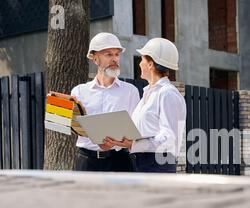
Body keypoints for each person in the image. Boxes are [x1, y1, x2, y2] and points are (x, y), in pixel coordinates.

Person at [104, 38, 186, 173]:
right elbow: (144, 131)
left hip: (157, 165)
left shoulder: (168, 94)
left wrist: (133, 144)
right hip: (140, 163)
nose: (140, 64)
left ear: (150, 64)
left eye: (142, 59)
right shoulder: (150, 93)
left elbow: (169, 138)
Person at [71, 32, 140, 172]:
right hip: (87, 163)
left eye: (117, 54)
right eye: (108, 54)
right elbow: (71, 128)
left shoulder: (130, 92)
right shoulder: (78, 92)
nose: (114, 59)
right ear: (95, 59)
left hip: (120, 162)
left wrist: (116, 142)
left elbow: (135, 132)